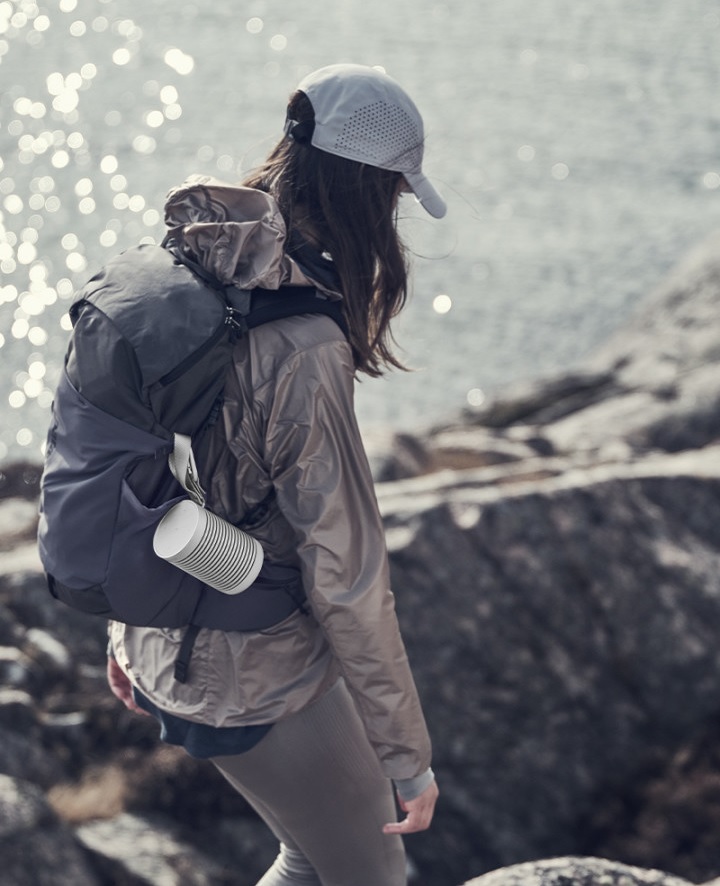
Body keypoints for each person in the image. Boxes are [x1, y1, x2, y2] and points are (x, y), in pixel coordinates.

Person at [107, 62, 445, 886]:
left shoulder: (191, 264)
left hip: (165, 631)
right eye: (397, 194)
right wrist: (408, 755)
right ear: (372, 193)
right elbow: (346, 571)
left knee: (313, 855)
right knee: (372, 875)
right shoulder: (305, 346)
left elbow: (130, 454)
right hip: (242, 662)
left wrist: (120, 627)